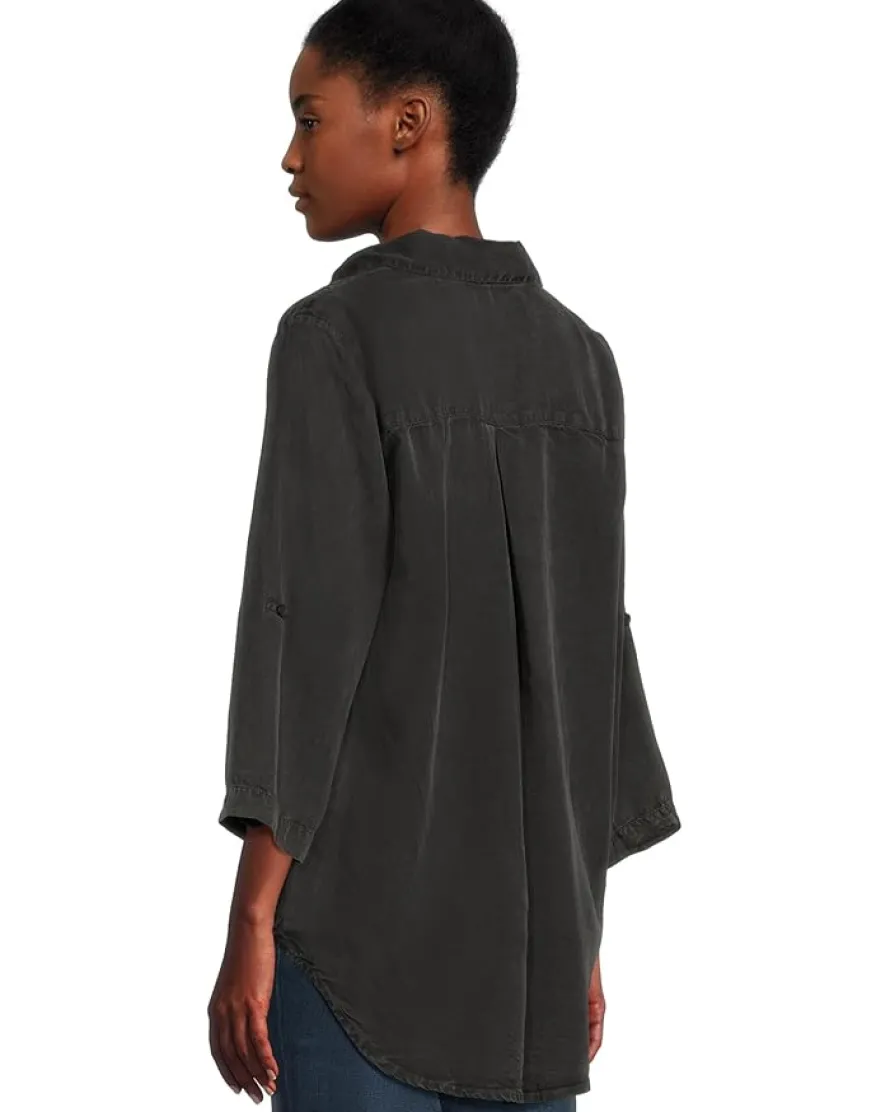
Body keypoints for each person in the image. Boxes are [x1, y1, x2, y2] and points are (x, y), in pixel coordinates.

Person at [207, 1, 681, 1108]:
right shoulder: (581, 359)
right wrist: (576, 936)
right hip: (530, 974)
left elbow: (302, 631)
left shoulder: (333, 338)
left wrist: (251, 916)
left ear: (408, 122)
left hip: (357, 958)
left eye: (309, 118)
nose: (289, 157)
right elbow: (590, 666)